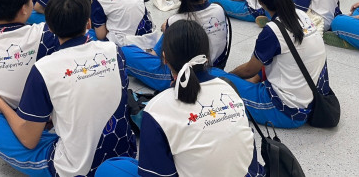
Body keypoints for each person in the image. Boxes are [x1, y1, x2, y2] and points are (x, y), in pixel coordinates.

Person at [0, 0, 137, 177]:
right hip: (123, 154)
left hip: (76, 170)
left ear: (50, 28)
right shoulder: (113, 50)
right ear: (88, 23)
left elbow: (29, 139)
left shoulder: (44, 68)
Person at [96, 20, 263, 177]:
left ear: (164, 58)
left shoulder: (156, 108)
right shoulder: (229, 88)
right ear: (206, 55)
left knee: (109, 168)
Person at [212, 0, 329, 129]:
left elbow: (248, 70)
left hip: (285, 110)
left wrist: (229, 76)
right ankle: (253, 83)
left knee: (213, 75)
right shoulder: (302, 15)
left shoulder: (273, 31)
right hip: (311, 101)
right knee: (272, 56)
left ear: (260, 2)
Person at [122, 0, 229, 91]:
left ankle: (148, 59)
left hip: (179, 75)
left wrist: (167, 28)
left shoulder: (176, 20)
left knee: (125, 52)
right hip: (212, 68)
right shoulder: (219, 9)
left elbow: (164, 57)